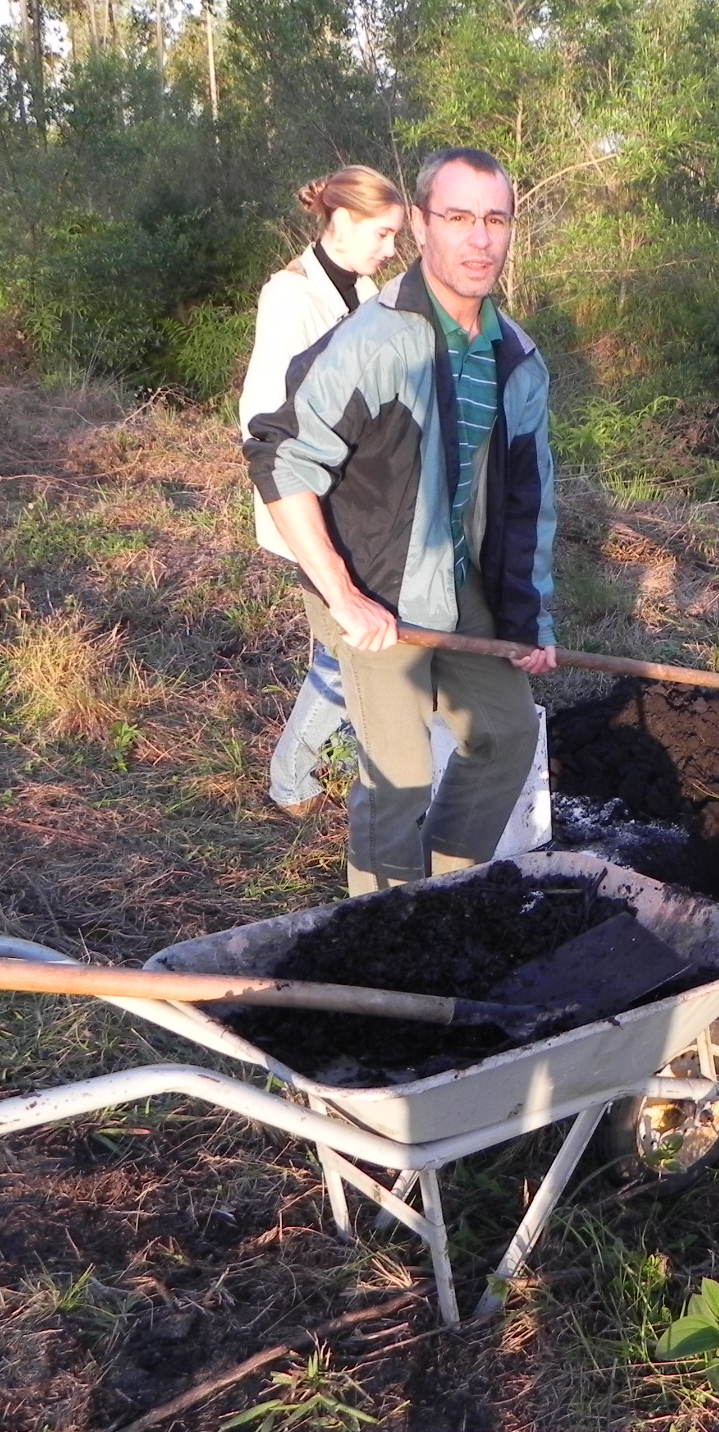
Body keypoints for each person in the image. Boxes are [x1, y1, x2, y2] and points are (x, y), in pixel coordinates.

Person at [243, 147, 556, 893]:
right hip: (371, 582)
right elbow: (281, 457)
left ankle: (444, 892)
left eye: (495, 219)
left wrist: (530, 621)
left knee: (507, 733)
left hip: (457, 581)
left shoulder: (516, 359)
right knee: (400, 778)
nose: (478, 240)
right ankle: (375, 932)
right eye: (457, 218)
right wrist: (343, 595)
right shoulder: (373, 342)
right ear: (420, 224)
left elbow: (530, 502)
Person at [239, 165, 410, 815]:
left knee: (343, 648)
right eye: (383, 233)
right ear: (340, 221)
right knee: (344, 655)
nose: (390, 250)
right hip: (312, 506)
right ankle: (291, 781)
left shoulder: (363, 288)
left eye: (395, 236)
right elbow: (264, 417)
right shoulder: (289, 296)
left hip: (359, 503)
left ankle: (326, 764)